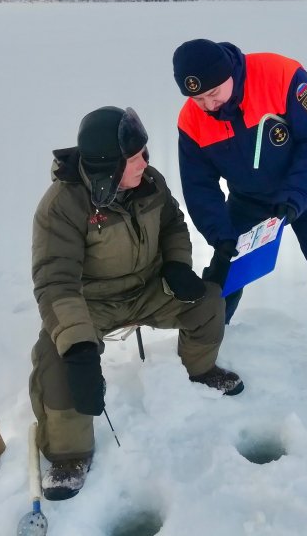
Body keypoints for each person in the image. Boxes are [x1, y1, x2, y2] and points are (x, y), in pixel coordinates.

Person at [29, 106, 243, 501]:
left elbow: (174, 224)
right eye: (135, 157)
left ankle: (201, 370)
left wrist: (178, 266)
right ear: (108, 168)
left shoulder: (149, 182)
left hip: (150, 287)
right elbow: (55, 282)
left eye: (145, 153)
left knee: (210, 299)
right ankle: (68, 455)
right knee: (55, 356)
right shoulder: (63, 205)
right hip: (91, 302)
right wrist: (78, 347)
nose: (146, 162)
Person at [172, 38, 307, 408]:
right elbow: (199, 188)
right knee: (225, 269)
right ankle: (205, 347)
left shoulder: (281, 76)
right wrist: (219, 234)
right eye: (199, 99)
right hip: (249, 201)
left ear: (229, 75)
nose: (209, 105)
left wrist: (295, 199)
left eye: (214, 93)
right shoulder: (192, 120)